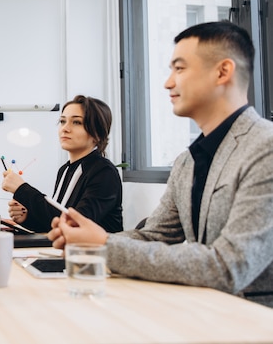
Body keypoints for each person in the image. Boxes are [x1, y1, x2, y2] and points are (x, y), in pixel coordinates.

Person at [48, 21, 273, 308]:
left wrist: (103, 244)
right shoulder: (186, 162)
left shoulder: (265, 148)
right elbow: (153, 236)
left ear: (222, 71)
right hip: (203, 312)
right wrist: (84, 239)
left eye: (179, 68)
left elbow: (229, 266)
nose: (168, 82)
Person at [2, 95, 123, 233]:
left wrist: (22, 189)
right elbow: (55, 223)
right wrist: (26, 218)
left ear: (97, 133)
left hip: (96, 253)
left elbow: (75, 225)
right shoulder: (65, 170)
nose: (65, 128)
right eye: (62, 121)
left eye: (76, 122)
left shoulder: (104, 172)